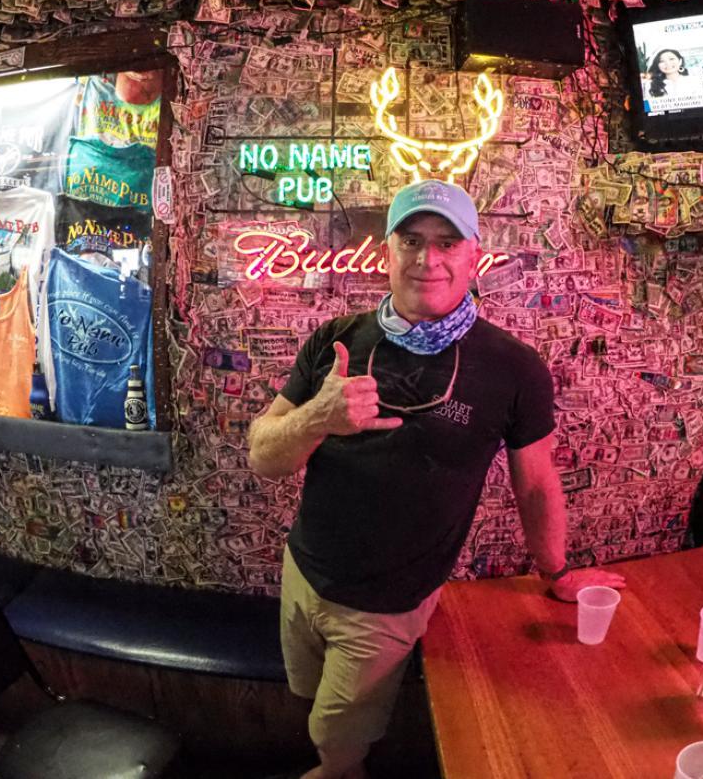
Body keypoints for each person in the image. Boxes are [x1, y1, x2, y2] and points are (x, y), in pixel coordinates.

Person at [247, 180, 626, 779]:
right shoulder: (335, 340)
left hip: (387, 606)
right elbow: (262, 456)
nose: (429, 259)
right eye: (412, 240)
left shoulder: (514, 368)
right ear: (388, 251)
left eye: (448, 242)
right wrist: (317, 418)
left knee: (335, 743)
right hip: (302, 573)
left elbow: (535, 485)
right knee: (306, 698)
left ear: (474, 253)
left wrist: (556, 571)